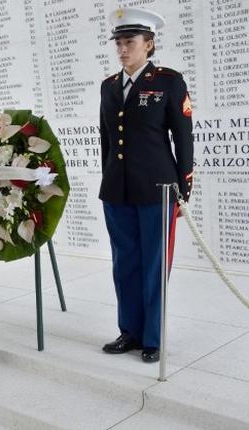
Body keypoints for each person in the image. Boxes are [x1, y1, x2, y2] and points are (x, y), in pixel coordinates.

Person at [98, 8, 194, 363]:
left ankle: (152, 338)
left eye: (130, 42)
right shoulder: (108, 86)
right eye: (119, 43)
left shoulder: (168, 81)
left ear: (148, 45)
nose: (123, 50)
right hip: (117, 191)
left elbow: (183, 139)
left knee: (154, 264)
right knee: (124, 264)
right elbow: (106, 140)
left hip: (158, 189)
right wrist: (108, 176)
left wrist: (183, 190)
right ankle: (130, 331)